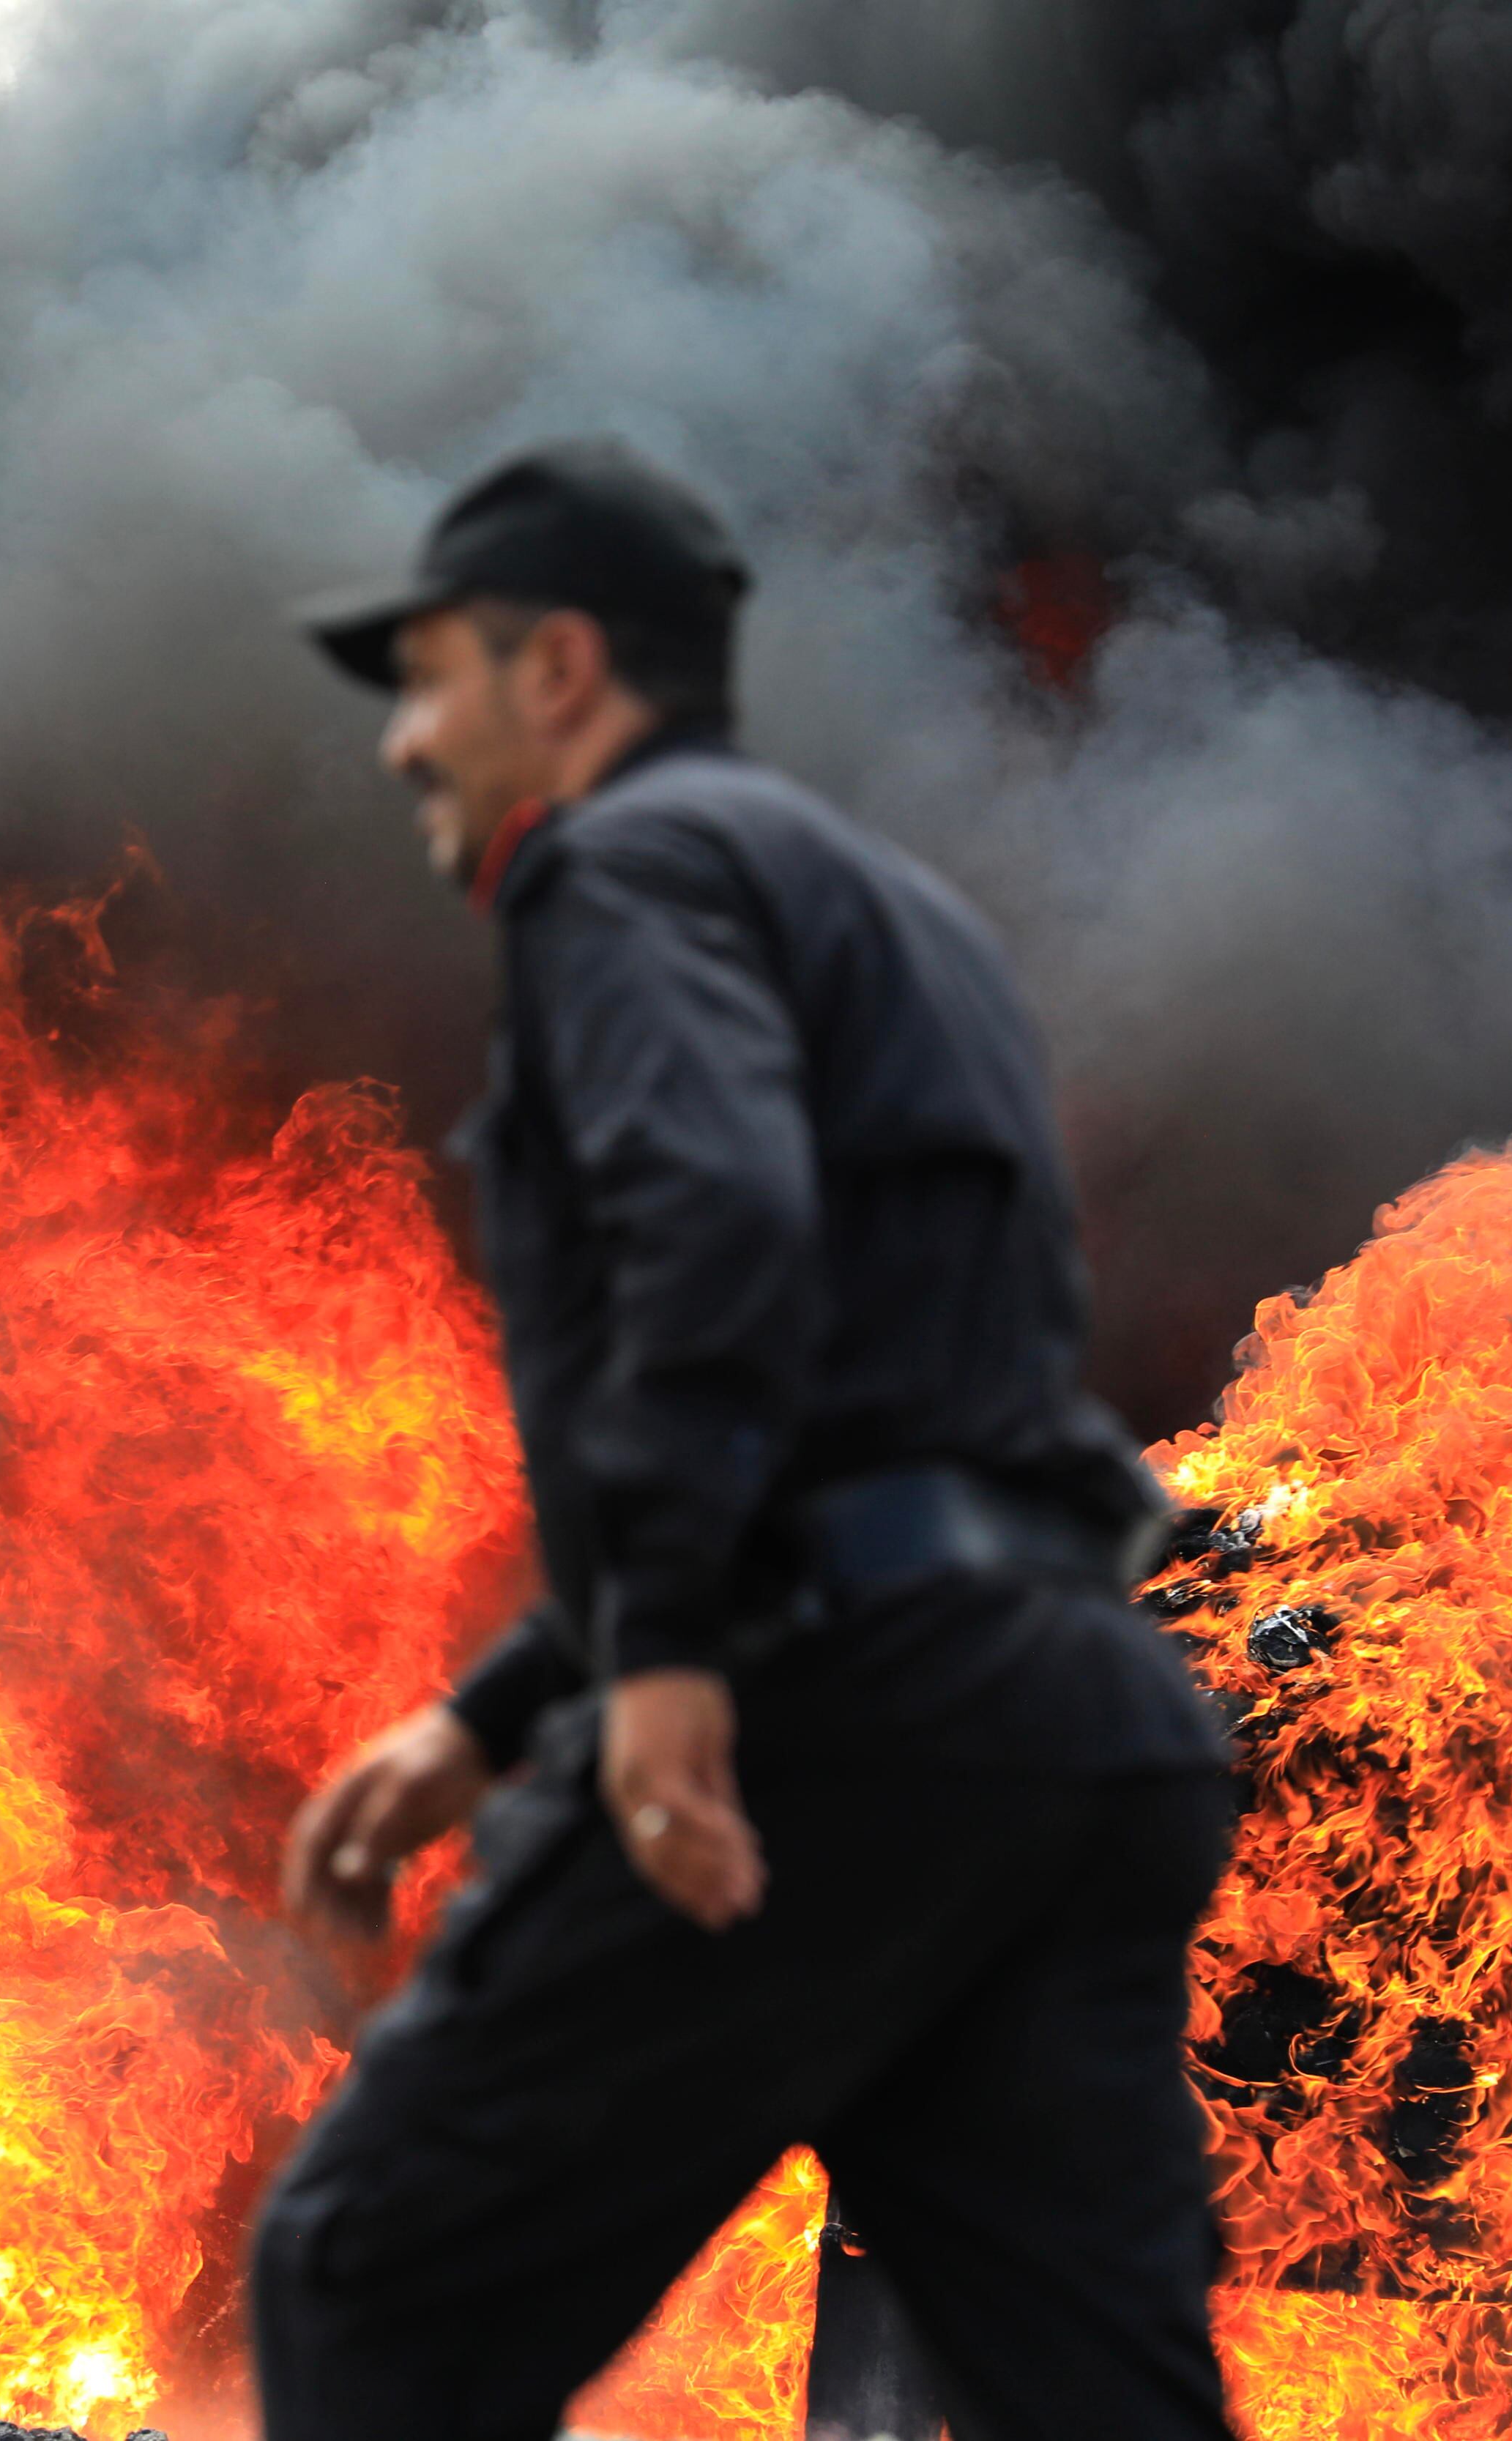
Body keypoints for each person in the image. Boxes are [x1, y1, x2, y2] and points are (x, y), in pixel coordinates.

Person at [249, 439, 1244, 2441]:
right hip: (1063, 1724)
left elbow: (721, 1231)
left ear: (563, 675)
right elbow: (889, 1389)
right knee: (1097, 2404)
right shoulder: (891, 913)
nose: (402, 746)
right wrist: (503, 1708)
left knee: (369, 2285)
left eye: (432, 679)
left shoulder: (625, 869)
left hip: (834, 1711)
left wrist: (677, 1666)